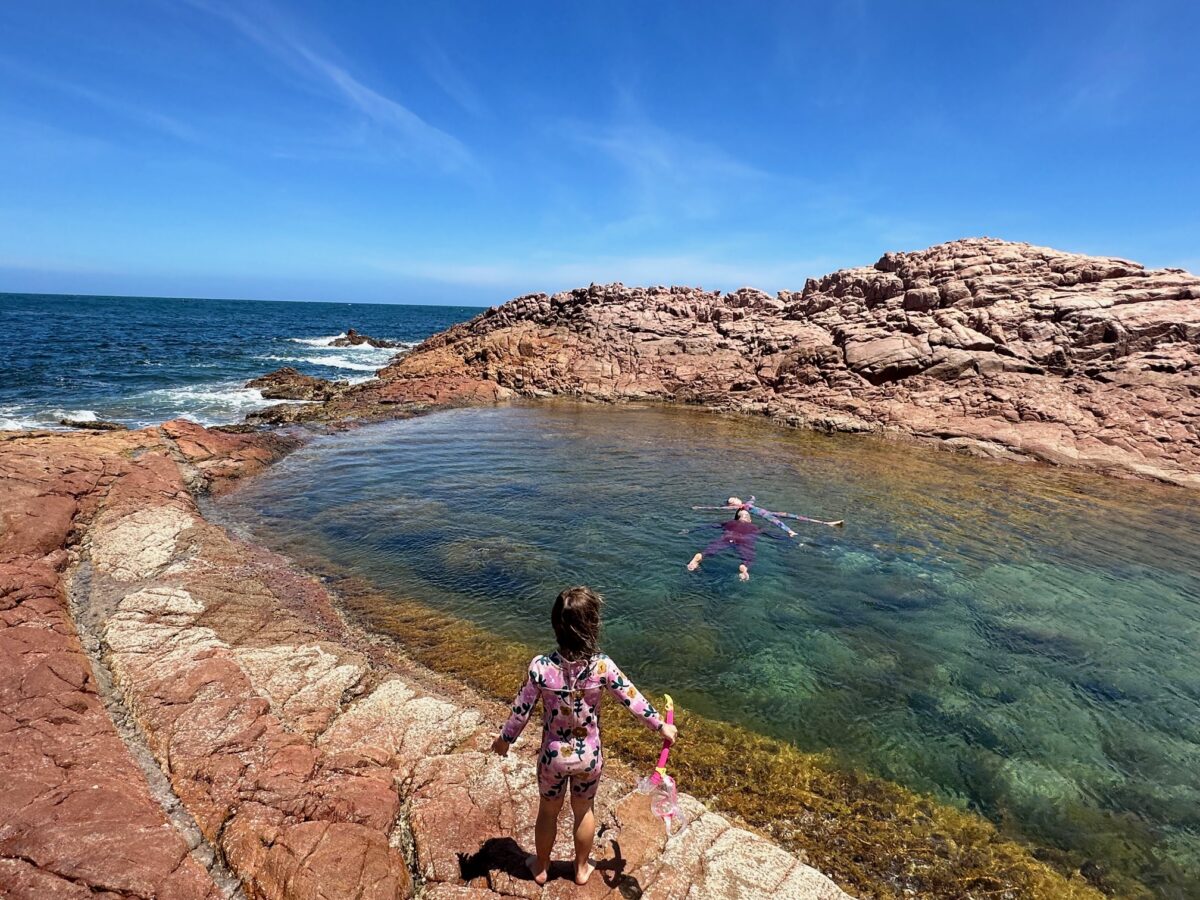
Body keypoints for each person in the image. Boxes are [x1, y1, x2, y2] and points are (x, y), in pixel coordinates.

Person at [490, 586, 678, 886]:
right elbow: (632, 699)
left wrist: (504, 740)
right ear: (593, 626)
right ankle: (580, 869)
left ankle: (540, 866)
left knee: (548, 812)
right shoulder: (602, 666)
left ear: (554, 625)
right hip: (589, 757)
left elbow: (521, 711)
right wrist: (660, 725)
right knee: (583, 811)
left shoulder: (541, 667)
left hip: (553, 758)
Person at [687, 506, 761, 581]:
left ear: (737, 519)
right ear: (750, 520)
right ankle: (744, 567)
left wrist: (692, 530)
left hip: (728, 537)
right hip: (744, 539)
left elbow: (711, 526)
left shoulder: (729, 523)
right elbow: (771, 534)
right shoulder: (755, 527)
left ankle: (701, 556)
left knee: (713, 548)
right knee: (749, 557)